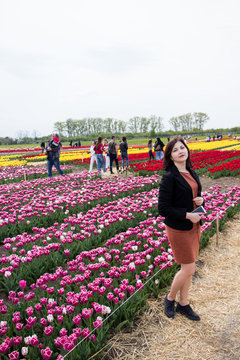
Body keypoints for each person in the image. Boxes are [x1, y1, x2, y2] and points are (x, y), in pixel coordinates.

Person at [158, 137, 204, 321]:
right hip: (179, 228)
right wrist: (187, 215)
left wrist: (201, 200)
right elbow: (163, 209)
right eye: (175, 150)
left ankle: (184, 303)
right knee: (188, 268)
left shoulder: (191, 172)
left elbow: (194, 195)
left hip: (194, 226)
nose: (180, 151)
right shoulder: (169, 177)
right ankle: (170, 299)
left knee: (189, 267)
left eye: (182, 147)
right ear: (170, 155)